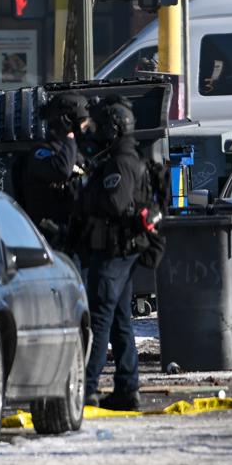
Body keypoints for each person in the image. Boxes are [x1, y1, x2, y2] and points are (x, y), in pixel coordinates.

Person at [74, 101, 158, 411]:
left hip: (114, 252)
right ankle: (127, 388)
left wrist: (89, 194)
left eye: (102, 127)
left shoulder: (121, 162)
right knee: (121, 320)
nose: (97, 133)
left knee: (100, 319)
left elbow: (116, 204)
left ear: (115, 128)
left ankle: (87, 388)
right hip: (121, 251)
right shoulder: (125, 158)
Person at [14, 93, 93, 249]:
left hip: (72, 237)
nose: (84, 131)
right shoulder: (41, 153)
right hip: (49, 241)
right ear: (67, 122)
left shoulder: (73, 152)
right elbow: (62, 170)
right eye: (82, 125)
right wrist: (70, 136)